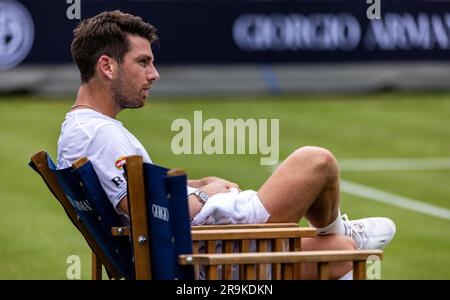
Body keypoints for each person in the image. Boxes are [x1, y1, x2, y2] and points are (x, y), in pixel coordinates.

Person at [57, 11, 396, 280]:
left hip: (195, 249)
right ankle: (335, 225)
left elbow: (142, 197)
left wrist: (196, 185)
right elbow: (146, 210)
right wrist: (211, 196)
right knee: (316, 162)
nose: (154, 74)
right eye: (143, 62)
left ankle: (337, 230)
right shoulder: (100, 134)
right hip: (210, 253)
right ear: (107, 66)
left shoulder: (84, 129)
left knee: (342, 249)